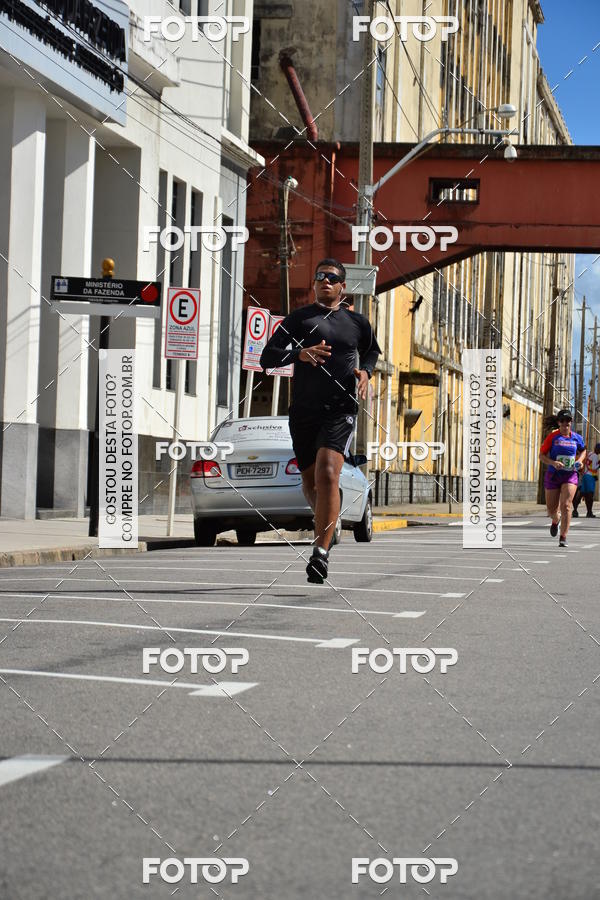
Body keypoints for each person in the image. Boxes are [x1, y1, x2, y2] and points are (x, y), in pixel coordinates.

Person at [260, 258, 381, 583]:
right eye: (319, 277)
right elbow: (266, 357)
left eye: (331, 277)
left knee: (329, 473)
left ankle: (320, 553)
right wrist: (297, 354)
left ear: (342, 287)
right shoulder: (299, 319)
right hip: (303, 411)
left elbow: (372, 351)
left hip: (341, 408)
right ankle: (327, 521)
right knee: (311, 482)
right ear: (315, 284)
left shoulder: (357, 323)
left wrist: (365, 372)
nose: (324, 281)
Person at [539, 409, 586, 547]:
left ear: (570, 423)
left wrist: (581, 460)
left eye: (568, 421)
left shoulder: (577, 438)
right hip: (553, 475)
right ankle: (555, 520)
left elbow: (583, 450)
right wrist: (553, 463)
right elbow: (541, 455)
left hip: (570, 475)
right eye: (563, 421)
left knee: (566, 505)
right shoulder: (552, 437)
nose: (565, 424)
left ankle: (563, 537)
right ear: (559, 422)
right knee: (551, 510)